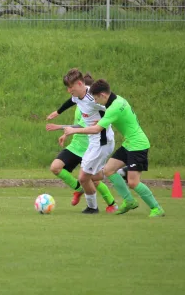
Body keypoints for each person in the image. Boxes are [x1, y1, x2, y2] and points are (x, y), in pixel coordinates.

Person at [64, 79, 165, 217]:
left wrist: (73, 130)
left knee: (133, 183)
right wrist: (102, 120)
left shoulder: (114, 108)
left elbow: (96, 130)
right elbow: (113, 116)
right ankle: (129, 201)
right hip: (129, 143)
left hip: (138, 145)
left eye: (96, 98)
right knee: (109, 170)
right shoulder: (118, 100)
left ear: (103, 95)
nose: (96, 102)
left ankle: (157, 208)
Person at [47, 70, 118, 214]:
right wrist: (58, 112)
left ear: (80, 83)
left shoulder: (93, 98)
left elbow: (114, 106)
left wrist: (105, 121)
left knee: (86, 177)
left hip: (102, 141)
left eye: (70, 87)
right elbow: (71, 101)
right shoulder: (77, 96)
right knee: (85, 177)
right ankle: (93, 206)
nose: (69, 90)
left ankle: (116, 173)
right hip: (93, 141)